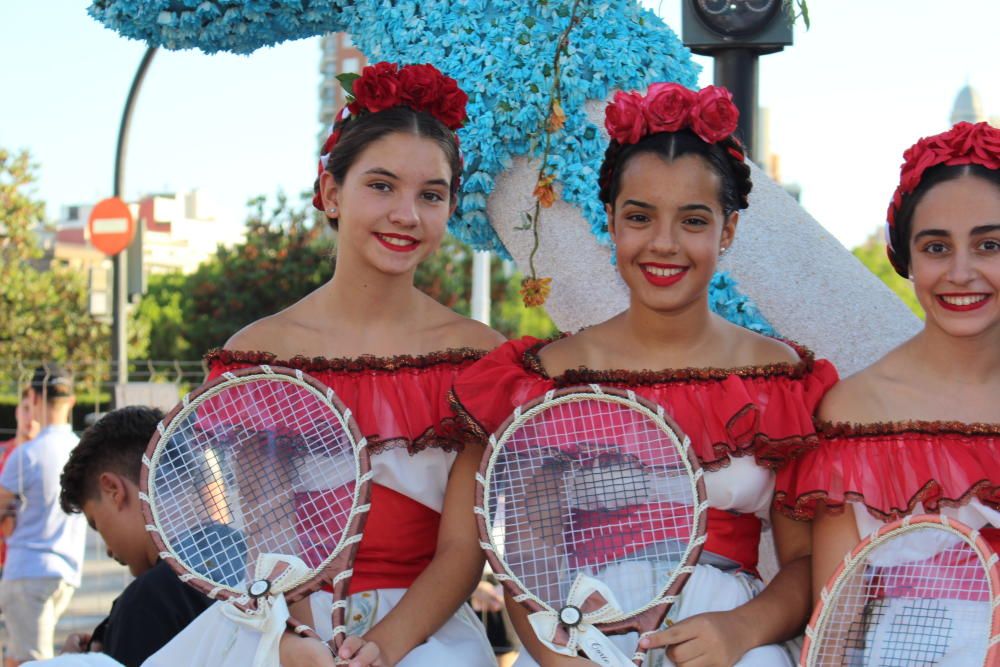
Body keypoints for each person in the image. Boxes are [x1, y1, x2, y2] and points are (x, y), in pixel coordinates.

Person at [450, 83, 838, 667]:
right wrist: (554, 655)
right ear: (610, 221)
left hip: (726, 637)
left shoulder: (778, 379)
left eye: (693, 220)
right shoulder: (546, 378)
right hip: (576, 629)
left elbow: (807, 562)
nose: (664, 243)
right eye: (640, 216)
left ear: (726, 232)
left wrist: (739, 631)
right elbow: (523, 552)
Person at [158, 62, 503, 667]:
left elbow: (460, 550)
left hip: (425, 634)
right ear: (330, 192)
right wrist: (296, 640)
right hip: (284, 627)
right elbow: (268, 533)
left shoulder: (480, 359)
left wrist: (385, 646)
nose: (407, 214)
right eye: (381, 185)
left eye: (431, 194)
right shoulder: (262, 354)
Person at [775, 122, 1000, 658]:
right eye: (936, 247)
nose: (961, 272)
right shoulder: (857, 414)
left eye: (989, 244)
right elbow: (836, 623)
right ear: (906, 258)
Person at [37, 405, 212, 667]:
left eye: (96, 523)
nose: (107, 549)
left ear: (112, 489)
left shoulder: (146, 603)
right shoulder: (252, 562)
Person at [0, 365, 87, 665]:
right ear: (72, 401)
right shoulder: (82, 451)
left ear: (35, 397)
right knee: (18, 658)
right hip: (66, 572)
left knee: (29, 662)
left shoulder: (27, 455)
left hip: (27, 572)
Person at [1, 389, 41, 569]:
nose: (31, 418)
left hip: (31, 563)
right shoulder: (2, 454)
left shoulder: (48, 458)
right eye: (26, 409)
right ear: (17, 411)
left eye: (36, 411)